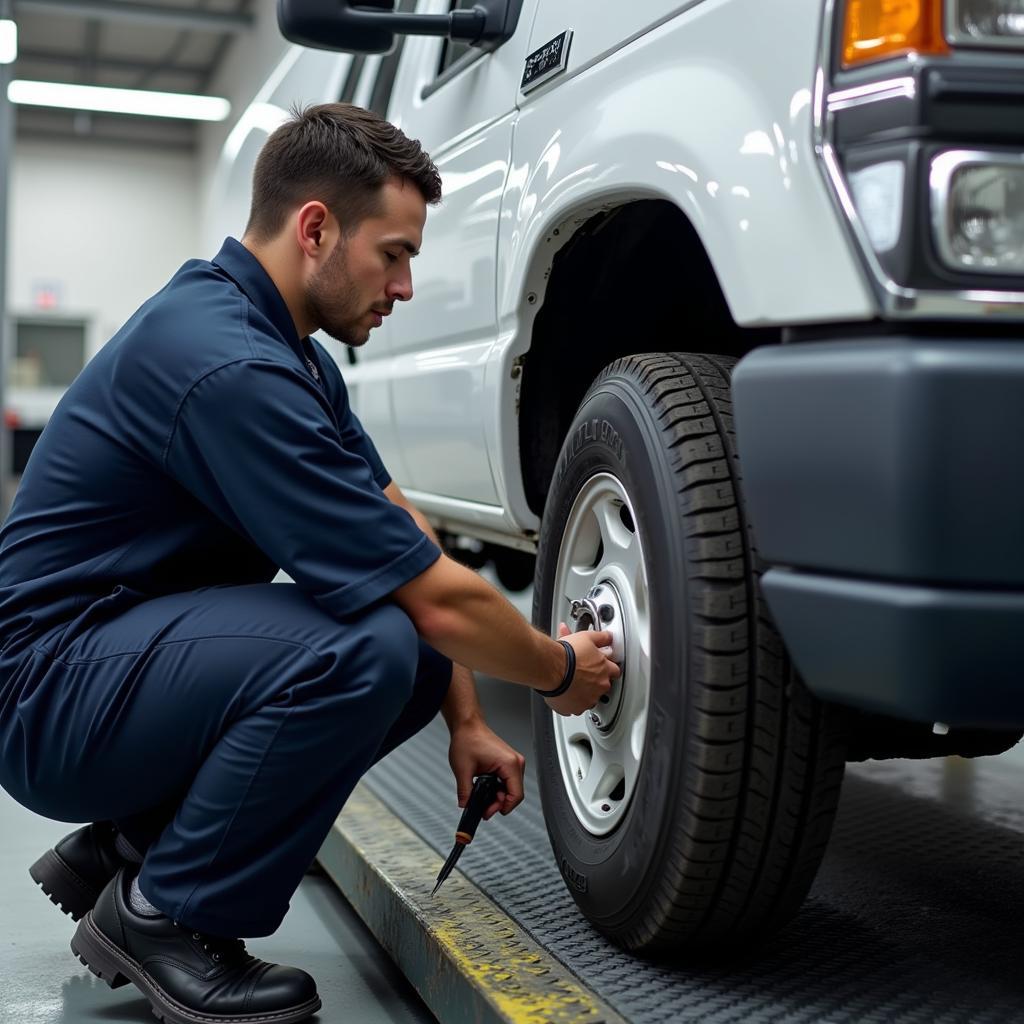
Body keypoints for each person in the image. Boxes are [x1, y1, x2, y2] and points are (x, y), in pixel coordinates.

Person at [0, 103, 619, 1024]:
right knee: (365, 647)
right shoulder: (226, 364)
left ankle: (134, 844)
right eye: (395, 253)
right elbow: (432, 603)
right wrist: (559, 671)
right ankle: (164, 913)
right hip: (49, 695)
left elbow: (399, 528)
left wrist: (467, 721)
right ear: (317, 228)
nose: (405, 285)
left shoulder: (285, 349)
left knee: (405, 655)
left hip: (109, 661)